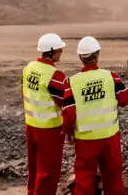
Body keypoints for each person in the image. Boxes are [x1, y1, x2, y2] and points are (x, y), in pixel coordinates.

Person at [68, 36, 128, 195]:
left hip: (85, 139)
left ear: (80, 57)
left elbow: (68, 112)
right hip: (109, 137)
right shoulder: (110, 77)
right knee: (113, 177)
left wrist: (69, 133)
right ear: (97, 54)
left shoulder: (72, 82)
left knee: (84, 178)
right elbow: (126, 99)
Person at [23, 33, 75, 195]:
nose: (61, 53)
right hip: (50, 131)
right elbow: (66, 105)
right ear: (51, 52)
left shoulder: (29, 68)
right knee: (48, 173)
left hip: (31, 126)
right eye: (60, 51)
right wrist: (69, 129)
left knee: (33, 168)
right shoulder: (56, 76)